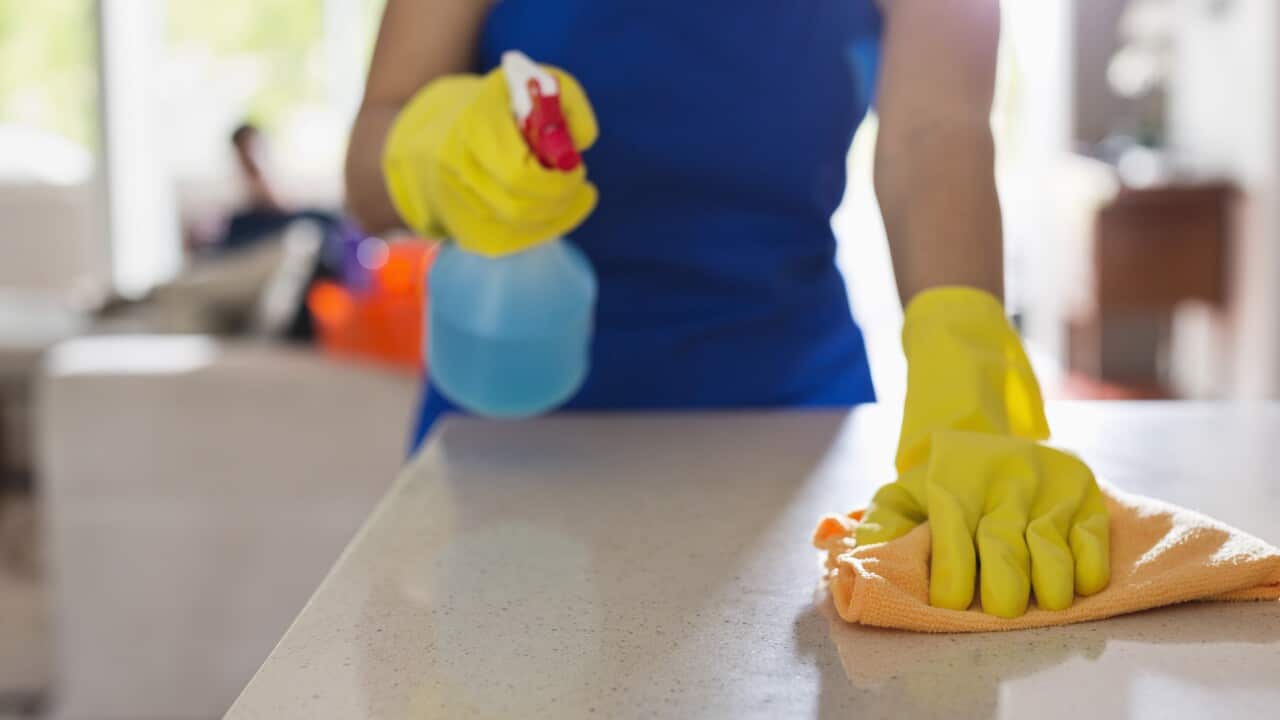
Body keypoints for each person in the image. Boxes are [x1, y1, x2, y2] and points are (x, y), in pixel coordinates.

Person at [346, 0, 1111, 619]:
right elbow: (367, 162)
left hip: (794, 418)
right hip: (511, 413)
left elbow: (934, 129)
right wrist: (433, 148)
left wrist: (964, 363)